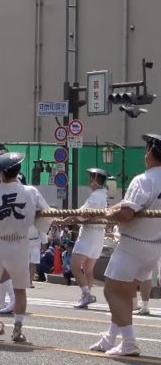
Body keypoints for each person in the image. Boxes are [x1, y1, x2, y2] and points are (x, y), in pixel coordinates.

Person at [90, 133, 161, 357]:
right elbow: (129, 205)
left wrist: (109, 214)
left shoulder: (144, 179)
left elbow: (127, 213)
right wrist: (114, 209)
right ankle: (111, 337)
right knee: (125, 292)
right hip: (154, 246)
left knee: (113, 291)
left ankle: (129, 342)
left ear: (150, 152)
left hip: (133, 245)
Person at [0, 152, 51, 342]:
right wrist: (36, 221)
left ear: (1, 173)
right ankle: (18, 328)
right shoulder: (31, 191)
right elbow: (46, 215)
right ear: (18, 172)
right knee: (20, 288)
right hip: (20, 242)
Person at [71, 168, 110, 309]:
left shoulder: (96, 196)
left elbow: (81, 214)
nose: (89, 181)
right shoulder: (104, 195)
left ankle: (86, 294)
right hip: (98, 234)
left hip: (89, 233)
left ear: (95, 179)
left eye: (91, 177)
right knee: (88, 269)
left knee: (75, 265)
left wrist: (69, 218)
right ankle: (86, 296)